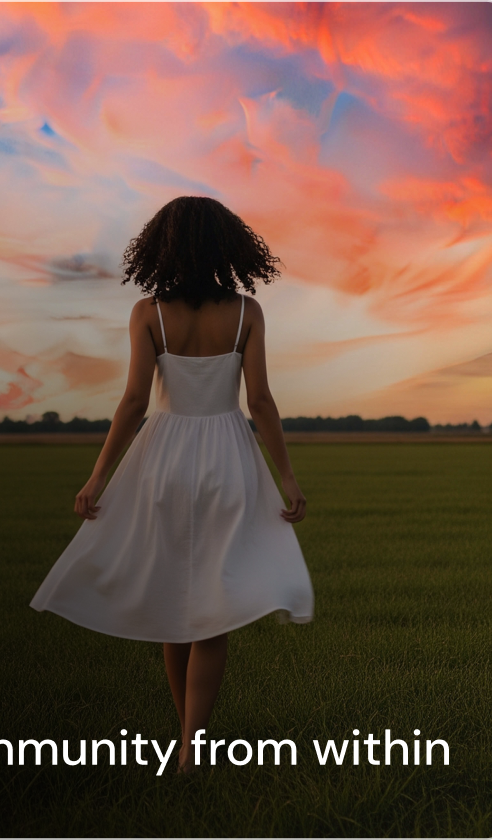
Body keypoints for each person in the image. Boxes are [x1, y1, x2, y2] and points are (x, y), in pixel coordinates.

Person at [30, 196, 314, 774]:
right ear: (230, 246)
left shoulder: (148, 313)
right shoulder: (246, 312)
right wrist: (286, 476)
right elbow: (259, 402)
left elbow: (135, 402)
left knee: (172, 600)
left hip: (163, 459)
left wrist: (97, 476)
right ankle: (192, 746)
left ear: (160, 245)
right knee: (213, 602)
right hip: (228, 458)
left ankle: (182, 741)